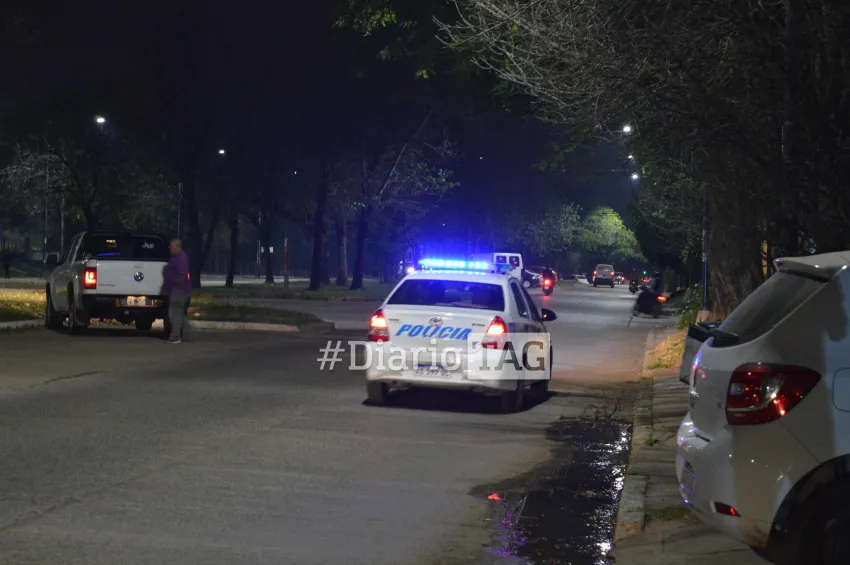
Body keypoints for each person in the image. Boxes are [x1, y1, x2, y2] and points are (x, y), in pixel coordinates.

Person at [163, 239, 192, 343]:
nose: (170, 248)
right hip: (178, 290)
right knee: (179, 313)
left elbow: (182, 275)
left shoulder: (181, 258)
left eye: (171, 246)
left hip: (179, 291)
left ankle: (175, 336)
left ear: (177, 247)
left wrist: (176, 289)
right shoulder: (175, 257)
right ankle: (187, 334)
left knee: (174, 313)